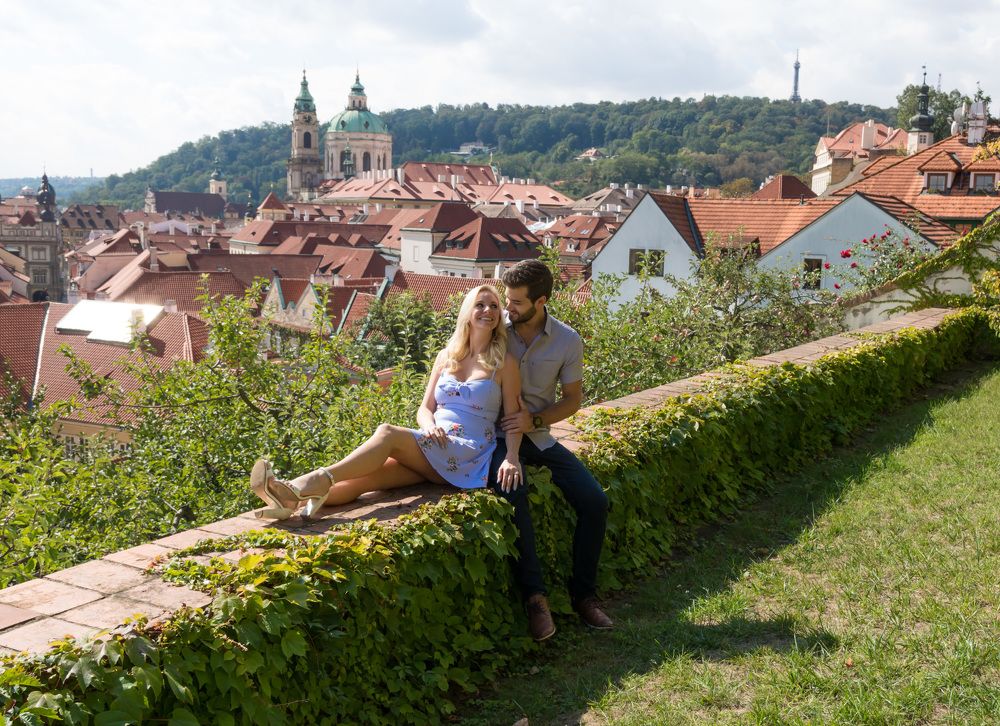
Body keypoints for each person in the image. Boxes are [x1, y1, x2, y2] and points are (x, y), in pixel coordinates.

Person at [250, 285, 524, 519]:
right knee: (363, 482)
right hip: (434, 444)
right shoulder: (446, 356)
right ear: (468, 312)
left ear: (500, 316)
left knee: (387, 433)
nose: (488, 311)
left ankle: (309, 480)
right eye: (480, 304)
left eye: (494, 306)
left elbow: (513, 419)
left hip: (468, 452)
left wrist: (512, 458)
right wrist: (428, 426)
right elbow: (425, 408)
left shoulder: (504, 363)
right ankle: (291, 502)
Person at [489, 259, 612, 641]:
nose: (507, 308)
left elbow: (572, 400)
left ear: (540, 301)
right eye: (506, 299)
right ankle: (536, 599)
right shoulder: (494, 330)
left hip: (538, 436)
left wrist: (536, 422)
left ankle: (584, 596)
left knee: (595, 501)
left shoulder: (567, 340)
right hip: (492, 436)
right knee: (515, 491)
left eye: (516, 303)